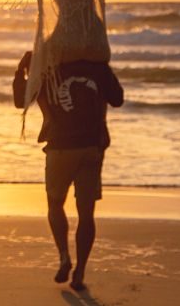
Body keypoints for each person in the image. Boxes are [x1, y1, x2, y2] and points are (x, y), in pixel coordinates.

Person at [0, 0, 180, 289]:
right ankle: (77, 268)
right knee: (86, 201)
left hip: (67, 47)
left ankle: (68, 258)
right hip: (91, 45)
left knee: (44, 81)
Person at [13, 50, 123, 291]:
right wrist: (105, 68)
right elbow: (117, 99)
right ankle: (80, 273)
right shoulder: (96, 65)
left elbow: (20, 101)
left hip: (60, 148)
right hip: (91, 148)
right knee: (86, 213)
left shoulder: (43, 62)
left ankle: (64, 256)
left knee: (55, 205)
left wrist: (21, 70)